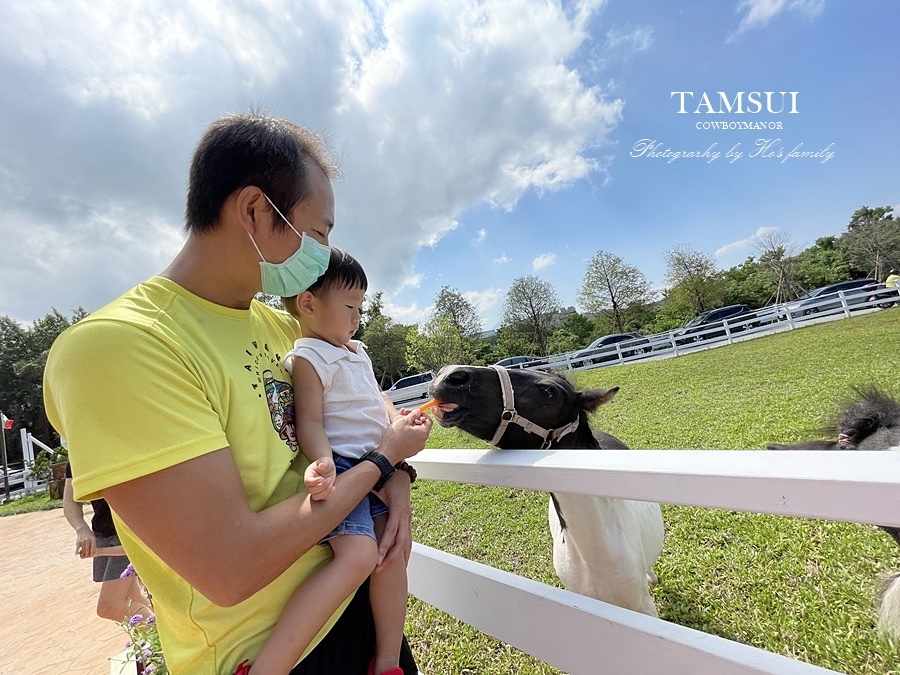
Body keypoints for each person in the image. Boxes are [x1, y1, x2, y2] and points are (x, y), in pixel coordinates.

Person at [43, 112, 432, 674]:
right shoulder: (116, 349)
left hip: (356, 602)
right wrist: (381, 463)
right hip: (269, 652)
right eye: (317, 233)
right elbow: (231, 568)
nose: (322, 254)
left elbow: (363, 404)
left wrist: (397, 482)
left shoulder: (282, 329)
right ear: (254, 210)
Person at [240, 249, 423, 675]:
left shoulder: (357, 351)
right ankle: (269, 667)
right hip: (344, 465)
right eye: (350, 306)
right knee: (359, 556)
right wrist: (323, 462)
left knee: (394, 552)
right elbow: (309, 421)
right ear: (308, 304)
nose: (357, 316)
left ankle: (388, 663)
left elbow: (378, 404)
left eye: (359, 306)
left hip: (379, 462)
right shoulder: (307, 357)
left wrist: (400, 423)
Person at [62, 460, 152, 622]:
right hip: (104, 531)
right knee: (133, 598)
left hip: (130, 529)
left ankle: (171, 639)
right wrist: (82, 529)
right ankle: (164, 638)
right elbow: (69, 501)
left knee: (109, 607)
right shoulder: (78, 454)